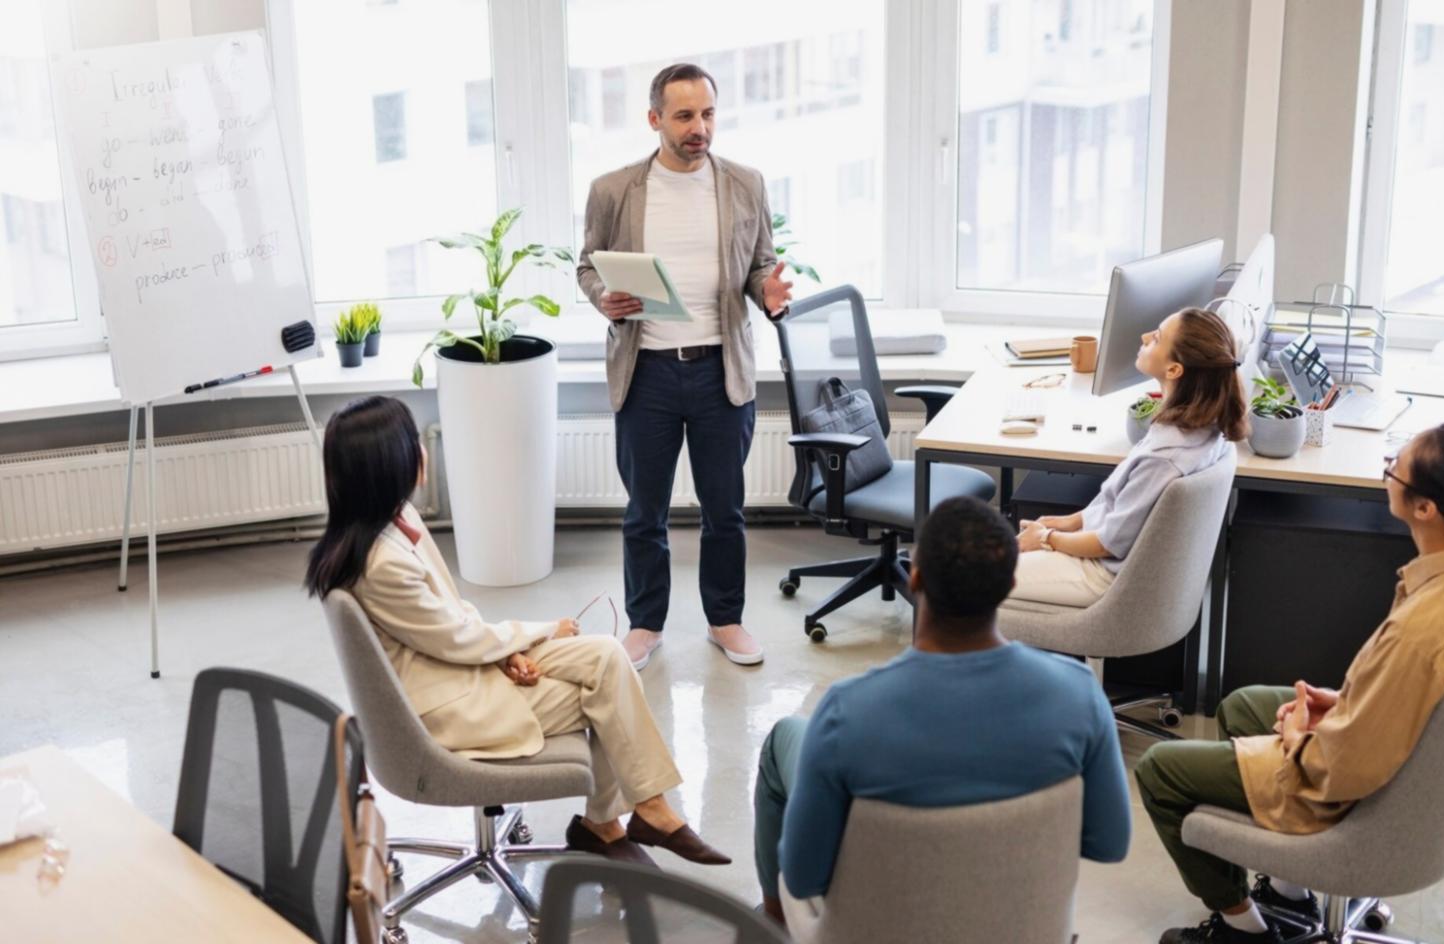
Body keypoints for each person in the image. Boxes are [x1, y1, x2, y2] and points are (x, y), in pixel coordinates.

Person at [1138, 422, 1444, 944]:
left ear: (1426, 509)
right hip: (1410, 755)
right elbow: (1416, 697)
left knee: (1160, 772)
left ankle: (1244, 931)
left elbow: (1342, 768)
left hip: (1360, 789)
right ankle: (1289, 891)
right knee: (1242, 707)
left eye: (1395, 465)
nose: (1387, 469)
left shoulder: (1424, 632)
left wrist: (1298, 735)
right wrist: (1347, 704)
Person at [305, 396, 729, 867]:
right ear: (390, 463)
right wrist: (540, 633)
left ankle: (626, 817)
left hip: (459, 663)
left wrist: (507, 653)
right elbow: (453, 639)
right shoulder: (381, 563)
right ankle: (625, 819)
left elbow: (449, 617)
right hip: (448, 701)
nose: (422, 452)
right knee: (607, 692)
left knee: (607, 656)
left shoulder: (396, 522)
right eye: (412, 442)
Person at [752, 496, 1131, 924]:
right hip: (1016, 930)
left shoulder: (847, 712)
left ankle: (771, 920)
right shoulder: (1080, 698)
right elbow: (1109, 842)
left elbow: (803, 878)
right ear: (1009, 585)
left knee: (784, 735)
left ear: (914, 578)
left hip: (878, 931)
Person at [577, 62, 794, 671]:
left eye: (707, 114)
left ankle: (725, 620)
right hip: (645, 371)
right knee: (644, 512)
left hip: (719, 371)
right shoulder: (614, 190)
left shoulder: (745, 184)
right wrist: (603, 298)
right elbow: (587, 267)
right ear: (655, 120)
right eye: (684, 116)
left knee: (724, 510)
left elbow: (760, 265)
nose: (699, 127)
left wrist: (768, 293)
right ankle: (645, 626)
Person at [1013, 306, 1247, 607]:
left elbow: (1108, 543)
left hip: (1098, 575)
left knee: (959, 577)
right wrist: (1069, 522)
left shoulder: (1164, 458)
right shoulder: (1202, 431)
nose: (1145, 336)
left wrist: (1046, 538)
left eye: (1157, 338)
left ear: (1174, 369)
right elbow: (1121, 512)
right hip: (1098, 554)